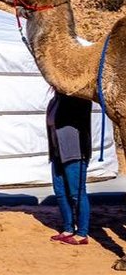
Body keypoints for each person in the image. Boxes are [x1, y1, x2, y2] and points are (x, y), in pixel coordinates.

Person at [46, 90, 92, 245]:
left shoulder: (79, 99)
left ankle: (82, 233)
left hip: (75, 153)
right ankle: (68, 228)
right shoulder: (54, 101)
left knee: (76, 193)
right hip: (58, 153)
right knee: (60, 192)